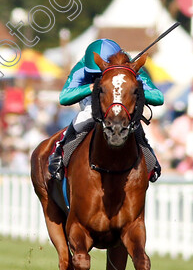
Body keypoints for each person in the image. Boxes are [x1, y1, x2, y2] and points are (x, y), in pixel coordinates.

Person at [48, 38, 164, 182]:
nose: (99, 76)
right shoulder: (82, 66)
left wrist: (130, 88)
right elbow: (64, 97)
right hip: (93, 100)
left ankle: (150, 159)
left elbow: (159, 97)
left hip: (121, 100)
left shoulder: (130, 66)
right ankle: (60, 152)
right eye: (96, 74)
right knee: (85, 116)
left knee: (132, 121)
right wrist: (93, 87)